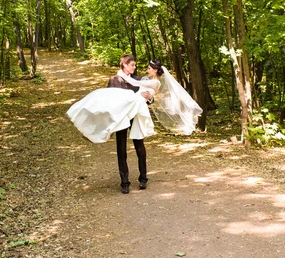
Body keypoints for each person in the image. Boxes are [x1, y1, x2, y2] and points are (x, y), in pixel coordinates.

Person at [67, 54, 203, 194]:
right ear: (125, 65)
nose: (135, 67)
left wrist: (150, 98)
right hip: (121, 117)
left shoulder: (138, 79)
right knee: (121, 149)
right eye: (132, 65)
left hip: (136, 115)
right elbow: (107, 101)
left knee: (139, 146)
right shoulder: (113, 80)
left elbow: (149, 96)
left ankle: (143, 178)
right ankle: (124, 182)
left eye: (135, 65)